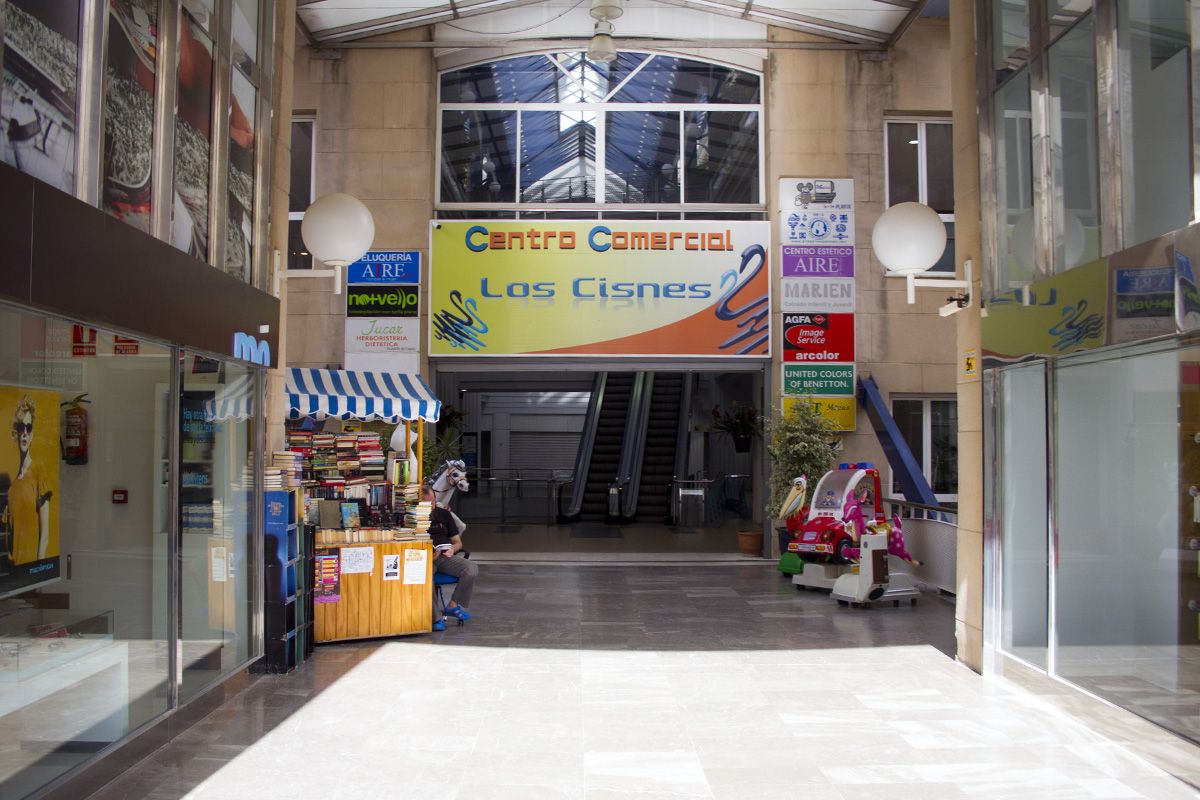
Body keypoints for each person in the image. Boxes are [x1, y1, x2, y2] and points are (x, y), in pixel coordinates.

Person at [424, 484, 477, 632]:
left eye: (433, 502)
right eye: (428, 504)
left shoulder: (444, 514)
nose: (432, 506)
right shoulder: (414, 517)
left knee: (471, 568)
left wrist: (452, 549)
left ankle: (452, 605)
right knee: (425, 576)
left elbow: (457, 542)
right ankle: (436, 618)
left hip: (445, 556)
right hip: (427, 557)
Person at [7, 395, 51, 565]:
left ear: (32, 435)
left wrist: (39, 572)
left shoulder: (39, 473)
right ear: (16, 433)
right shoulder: (13, 486)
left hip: (30, 572)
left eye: (29, 427)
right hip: (13, 574)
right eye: (21, 427)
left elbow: (45, 535)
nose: (25, 432)